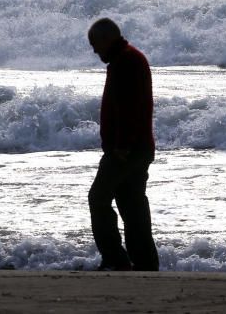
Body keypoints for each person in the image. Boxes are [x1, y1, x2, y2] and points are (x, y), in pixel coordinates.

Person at [87, 17, 159, 271]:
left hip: (127, 150)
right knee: (132, 205)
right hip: (137, 147)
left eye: (95, 44)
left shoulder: (126, 61)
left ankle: (115, 259)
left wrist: (122, 146)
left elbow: (130, 107)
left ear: (107, 39)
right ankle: (145, 263)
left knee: (98, 198)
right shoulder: (127, 59)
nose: (95, 51)